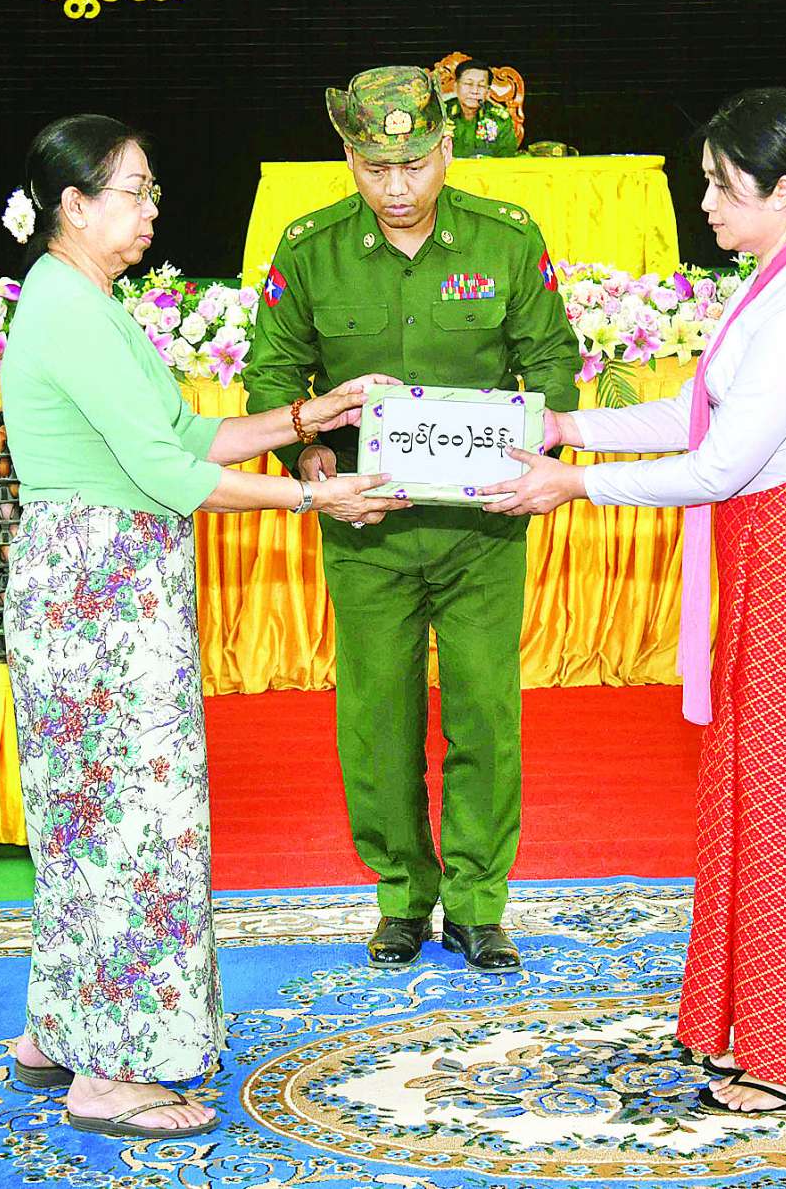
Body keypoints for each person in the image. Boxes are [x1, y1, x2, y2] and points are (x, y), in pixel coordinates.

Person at [479, 87, 786, 1114]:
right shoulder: (776, 278)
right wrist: (566, 430)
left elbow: (717, 465)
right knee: (754, 796)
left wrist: (572, 485)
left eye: (720, 185)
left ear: (784, 190)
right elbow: (697, 411)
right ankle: (751, 1027)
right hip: (779, 551)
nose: (704, 203)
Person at [0, 113, 405, 1142]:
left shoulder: (84, 300)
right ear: (73, 204)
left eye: (152, 192)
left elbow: (185, 432)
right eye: (133, 192)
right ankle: (111, 1074)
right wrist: (316, 497)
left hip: (103, 584)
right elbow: (170, 472)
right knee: (131, 821)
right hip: (97, 592)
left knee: (86, 819)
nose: (151, 211)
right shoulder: (68, 309)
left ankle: (59, 1030)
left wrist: (315, 414)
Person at [244, 66, 579, 972]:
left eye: (414, 165)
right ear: (349, 158)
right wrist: (307, 455)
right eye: (374, 167)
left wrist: (541, 445)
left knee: (484, 714)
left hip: (481, 530)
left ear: (446, 149)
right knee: (378, 719)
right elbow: (274, 371)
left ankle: (477, 903)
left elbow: (552, 358)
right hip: (368, 527)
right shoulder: (310, 250)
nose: (396, 187)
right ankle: (401, 896)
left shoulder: (505, 239)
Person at [442, 60, 519, 157]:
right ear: (456, 86)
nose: (475, 91)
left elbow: (507, 158)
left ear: (488, 91)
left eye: (481, 86)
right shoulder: (440, 114)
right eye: (468, 84)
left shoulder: (499, 118)